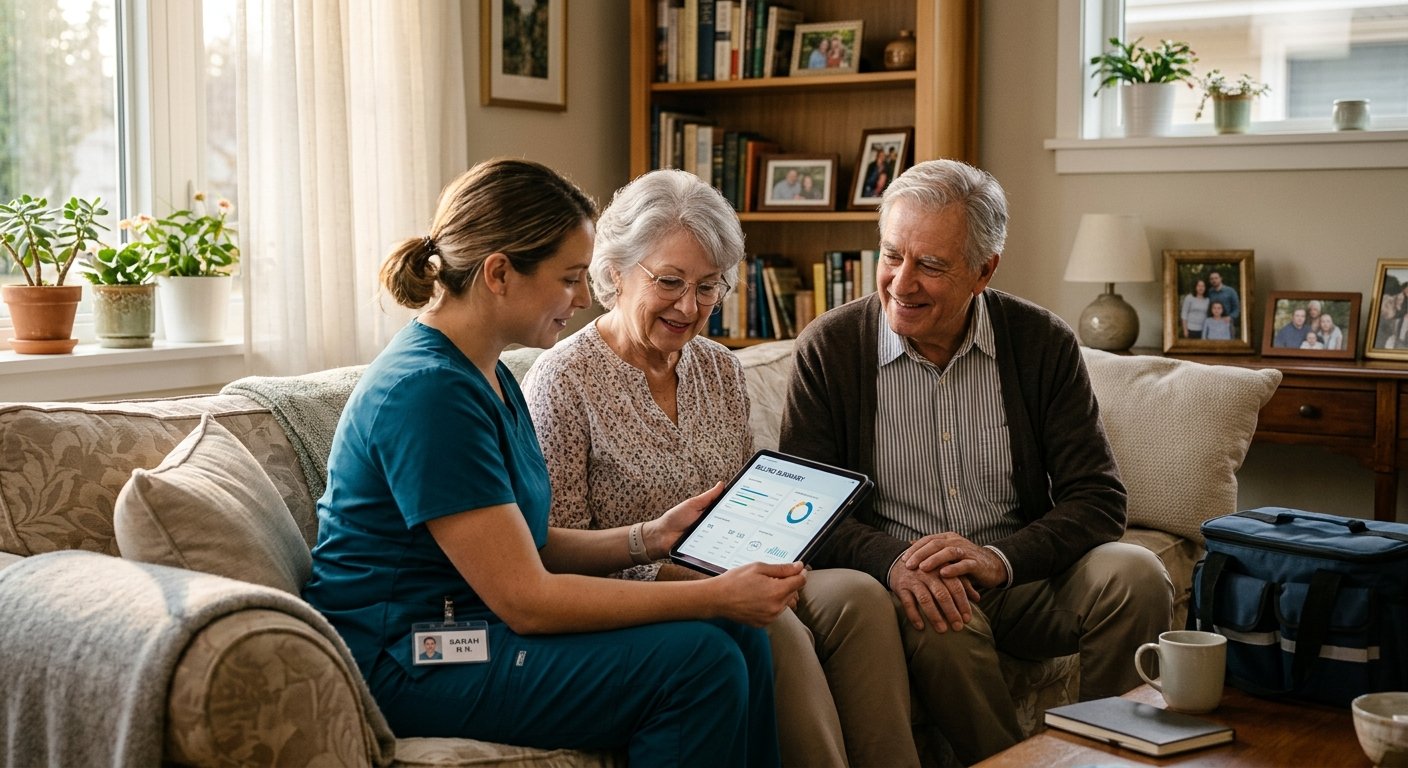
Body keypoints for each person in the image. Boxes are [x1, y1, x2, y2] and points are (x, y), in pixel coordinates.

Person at [302, 158, 804, 766]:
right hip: (416, 654)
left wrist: (650, 538)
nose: (584, 296)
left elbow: (526, 543)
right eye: (568, 278)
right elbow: (528, 600)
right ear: (499, 274)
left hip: (467, 630)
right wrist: (713, 595)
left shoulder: (482, 370)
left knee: (738, 638)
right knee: (701, 662)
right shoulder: (428, 391)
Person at [777, 158, 1173, 765]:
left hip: (1023, 573)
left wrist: (999, 560)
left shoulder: (1041, 342)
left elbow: (1098, 499)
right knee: (939, 625)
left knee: (1136, 573)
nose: (901, 283)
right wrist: (896, 564)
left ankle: (1109, 754)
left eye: (931, 265)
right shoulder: (831, 349)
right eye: (891, 255)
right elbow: (805, 513)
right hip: (920, 587)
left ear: (984, 271)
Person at [524, 168, 921, 767]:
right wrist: (706, 583)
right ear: (614, 273)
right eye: (670, 281)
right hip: (637, 592)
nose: (690, 306)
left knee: (861, 597)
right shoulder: (563, 380)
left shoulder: (718, 368)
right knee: (775, 627)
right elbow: (558, 548)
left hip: (740, 563)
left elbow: (745, 499)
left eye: (709, 287)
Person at [1205, 271, 1240, 337]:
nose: (1214, 280)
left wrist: (1230, 317)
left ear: (1221, 278)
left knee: (1229, 345)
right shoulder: (1209, 292)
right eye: (1211, 279)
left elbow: (1237, 308)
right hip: (1213, 324)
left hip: (1227, 323)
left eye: (1216, 278)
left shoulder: (1231, 291)